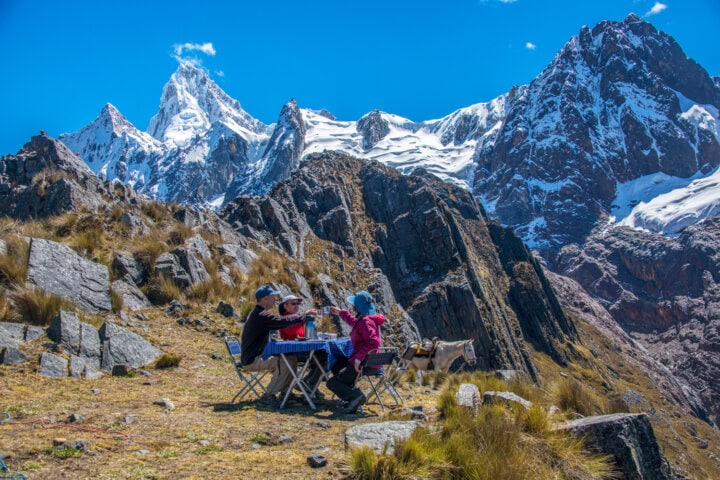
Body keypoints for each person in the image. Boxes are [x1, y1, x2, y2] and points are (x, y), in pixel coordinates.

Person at [241, 285, 317, 401]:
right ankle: (268, 395)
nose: (275, 300)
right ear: (265, 298)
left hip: (257, 355)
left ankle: (286, 393)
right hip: (252, 359)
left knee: (291, 358)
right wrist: (304, 315)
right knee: (284, 362)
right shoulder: (261, 315)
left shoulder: (259, 313)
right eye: (273, 297)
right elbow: (282, 321)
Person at [327, 290, 385, 413]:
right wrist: (340, 313)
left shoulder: (365, 321)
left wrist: (358, 359)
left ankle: (355, 397)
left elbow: (373, 342)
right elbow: (355, 323)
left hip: (364, 363)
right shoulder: (367, 319)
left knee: (332, 383)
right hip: (371, 362)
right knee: (338, 363)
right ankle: (352, 396)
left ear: (356, 306)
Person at [278, 295, 327, 394]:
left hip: (302, 350)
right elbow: (292, 333)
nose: (296, 306)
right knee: (324, 357)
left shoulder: (298, 319)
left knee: (325, 355)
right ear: (285, 306)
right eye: (293, 304)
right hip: (292, 352)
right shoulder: (285, 319)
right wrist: (304, 315)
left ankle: (308, 382)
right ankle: (308, 383)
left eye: (297, 303)